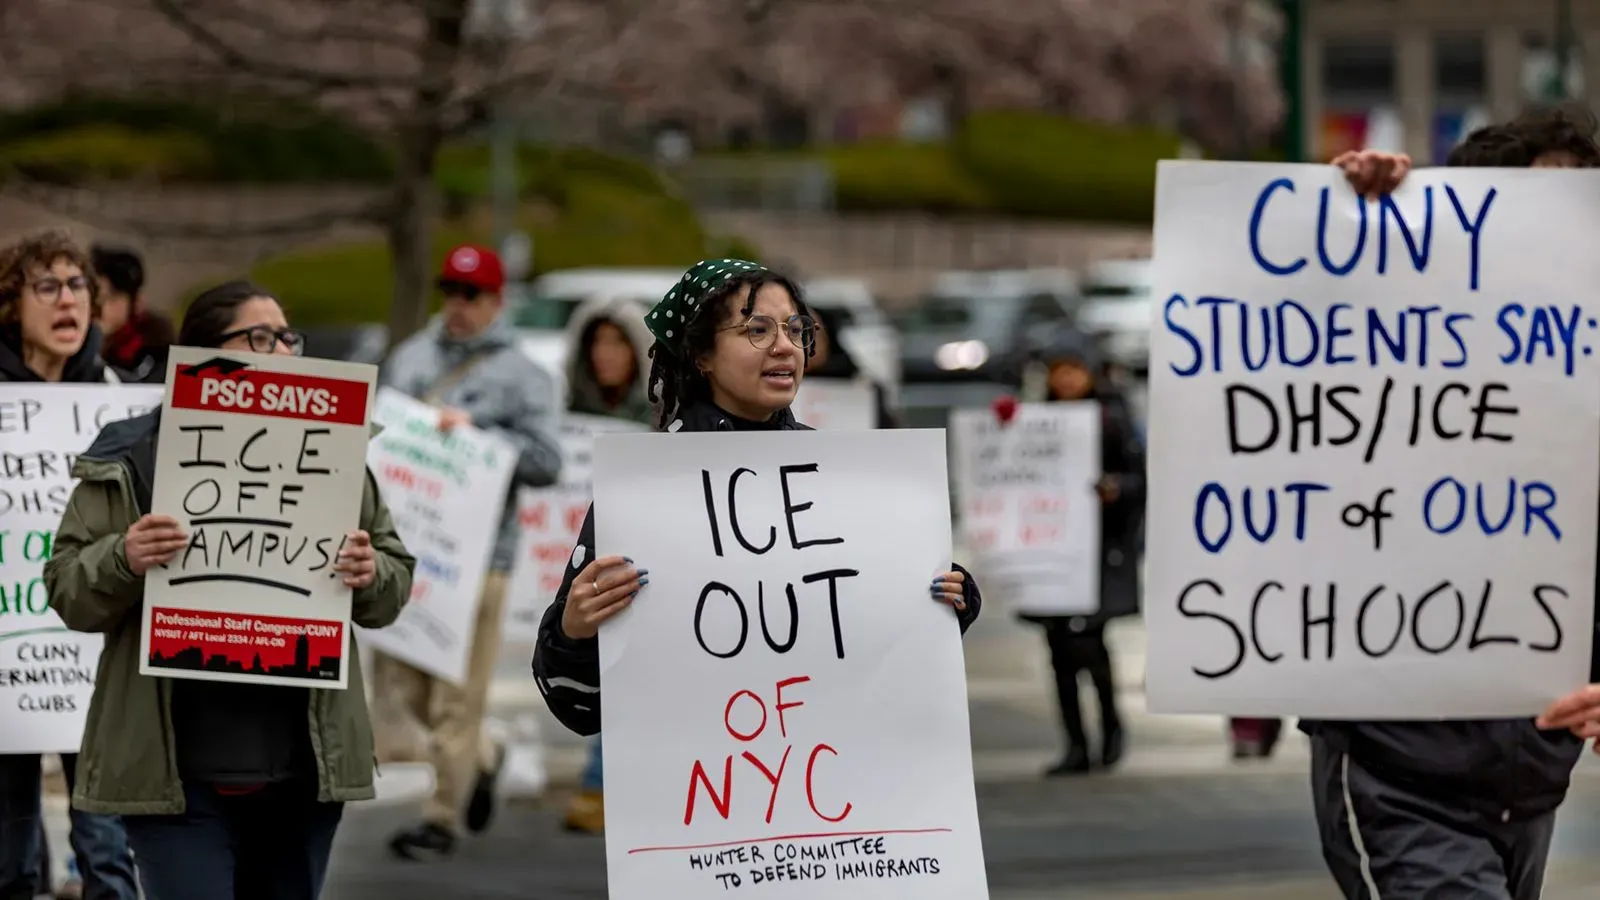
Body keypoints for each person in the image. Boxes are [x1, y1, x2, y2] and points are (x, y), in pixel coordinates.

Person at [1300, 106, 1600, 900]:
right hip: (1399, 776)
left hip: (1529, 780)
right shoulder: (1389, 347)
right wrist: (1356, 218)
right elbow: (1292, 337)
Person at [39, 279, 415, 900]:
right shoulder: (131, 457)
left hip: (302, 775)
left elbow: (393, 584)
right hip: (174, 778)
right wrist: (124, 558)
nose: (286, 351)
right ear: (203, 355)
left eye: (288, 337)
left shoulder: (337, 454)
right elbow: (68, 590)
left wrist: (372, 574)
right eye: (261, 338)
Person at [531, 258, 984, 740]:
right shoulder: (644, 488)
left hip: (833, 793)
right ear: (702, 353)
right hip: (693, 796)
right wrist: (573, 632)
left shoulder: (846, 478)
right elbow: (579, 709)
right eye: (757, 330)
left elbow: (884, 662)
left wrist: (948, 603)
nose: (785, 347)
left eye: (795, 328)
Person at [375, 244, 564, 860]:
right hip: (410, 552)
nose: (458, 306)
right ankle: (486, 756)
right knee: (411, 695)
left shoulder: (523, 373)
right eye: (450, 291)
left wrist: (478, 436)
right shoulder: (410, 359)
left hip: (481, 558)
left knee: (459, 696)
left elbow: (545, 461)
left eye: (472, 294)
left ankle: (441, 817)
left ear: (497, 300)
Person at [0, 230, 140, 900]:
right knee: (8, 858)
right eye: (46, 286)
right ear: (11, 305)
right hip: (8, 667)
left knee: (109, 853)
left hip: (93, 661)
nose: (67, 300)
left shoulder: (120, 402)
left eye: (78, 285)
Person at [998, 324, 1145, 776]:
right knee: (1058, 652)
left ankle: (1110, 732)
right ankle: (1076, 743)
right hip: (1051, 553)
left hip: (1095, 554)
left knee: (1090, 647)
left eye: (1074, 371)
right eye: (1058, 371)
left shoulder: (1111, 419)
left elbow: (1141, 479)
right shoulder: (1035, 421)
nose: (1066, 380)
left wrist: (1115, 489)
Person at [557, 294, 656, 834]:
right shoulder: (569, 415)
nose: (606, 353)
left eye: (618, 341)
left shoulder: (664, 420)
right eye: (597, 342)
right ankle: (598, 781)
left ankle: (604, 783)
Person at [803, 305, 902, 428]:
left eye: (813, 334)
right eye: (797, 333)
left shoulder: (861, 385)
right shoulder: (777, 388)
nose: (807, 343)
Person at [90, 244, 172, 383]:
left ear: (136, 301)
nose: (98, 307)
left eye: (110, 297)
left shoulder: (161, 356)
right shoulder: (78, 352)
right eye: (93, 298)